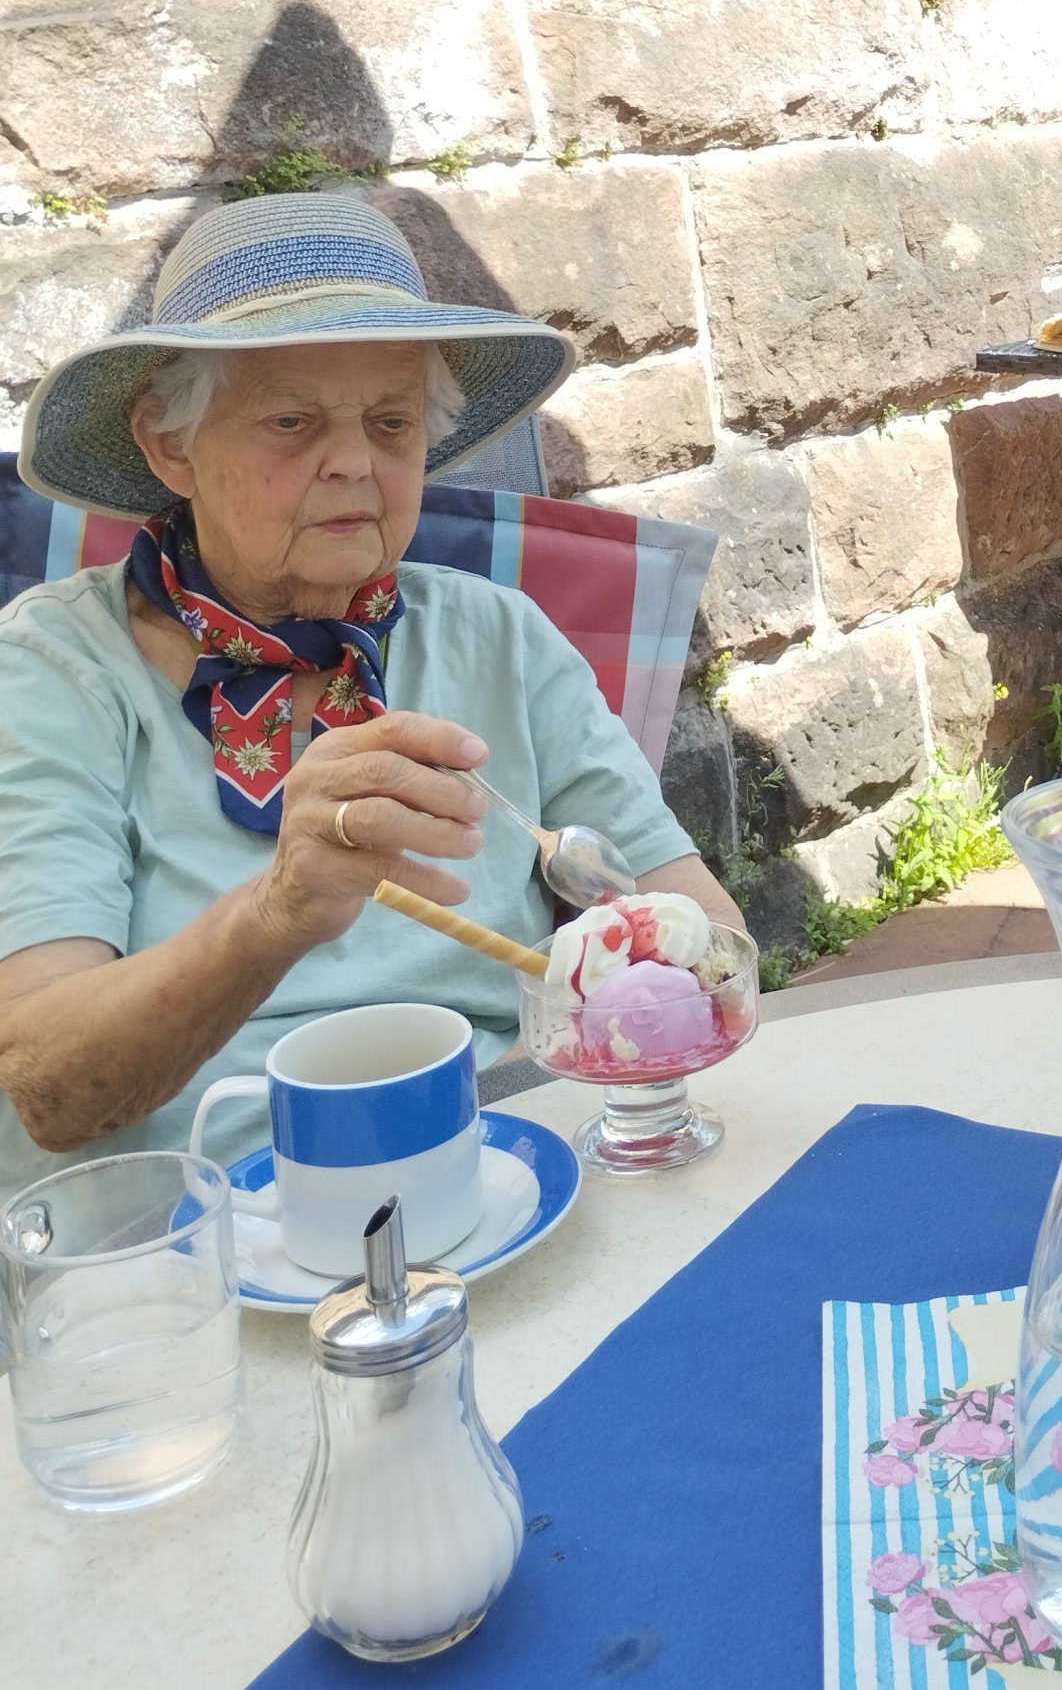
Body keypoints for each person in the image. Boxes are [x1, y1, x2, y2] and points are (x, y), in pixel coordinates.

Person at [0, 194, 741, 1190]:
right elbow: (47, 1084)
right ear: (171, 445)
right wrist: (277, 909)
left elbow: (700, 929)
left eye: (390, 422)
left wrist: (660, 965)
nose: (353, 462)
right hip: (199, 1227)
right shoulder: (53, 669)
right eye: (291, 420)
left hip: (509, 1175)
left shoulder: (497, 636)